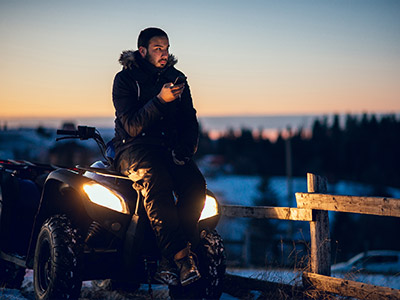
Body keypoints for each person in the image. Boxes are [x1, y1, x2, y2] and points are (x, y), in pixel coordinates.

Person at [111, 27, 206, 287]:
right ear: (142, 51)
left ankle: (172, 256)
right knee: (157, 181)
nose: (164, 54)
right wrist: (160, 101)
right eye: (157, 49)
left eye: (166, 48)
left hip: (168, 148)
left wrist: (186, 150)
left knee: (196, 186)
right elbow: (130, 125)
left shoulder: (177, 78)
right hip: (132, 148)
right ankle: (180, 258)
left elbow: (189, 118)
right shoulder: (125, 79)